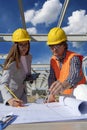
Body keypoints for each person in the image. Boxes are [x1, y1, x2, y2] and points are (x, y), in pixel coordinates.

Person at [46, 27, 86, 102]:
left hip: (80, 95)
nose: (54, 49)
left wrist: (62, 86)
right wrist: (51, 93)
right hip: (65, 97)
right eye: (51, 47)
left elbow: (73, 76)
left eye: (57, 46)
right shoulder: (53, 60)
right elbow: (51, 77)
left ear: (64, 44)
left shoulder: (73, 57)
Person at [0, 28, 32, 107]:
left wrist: (30, 77)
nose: (24, 47)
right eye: (21, 45)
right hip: (11, 96)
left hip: (22, 93)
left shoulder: (29, 58)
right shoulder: (12, 61)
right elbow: (3, 83)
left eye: (26, 44)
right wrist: (9, 99)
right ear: (16, 46)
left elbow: (25, 72)